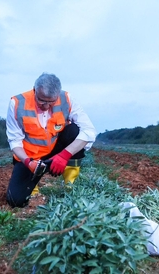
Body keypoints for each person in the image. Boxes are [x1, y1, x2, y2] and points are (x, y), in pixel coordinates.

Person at [5, 73, 96, 207]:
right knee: (15, 200)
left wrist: (64, 155)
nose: (46, 106)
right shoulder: (17, 103)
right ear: (34, 90)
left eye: (51, 102)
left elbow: (89, 131)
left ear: (57, 94)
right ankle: (33, 188)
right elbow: (14, 141)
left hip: (57, 151)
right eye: (41, 101)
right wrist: (28, 162)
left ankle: (70, 185)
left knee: (74, 131)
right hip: (31, 158)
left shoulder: (67, 99)